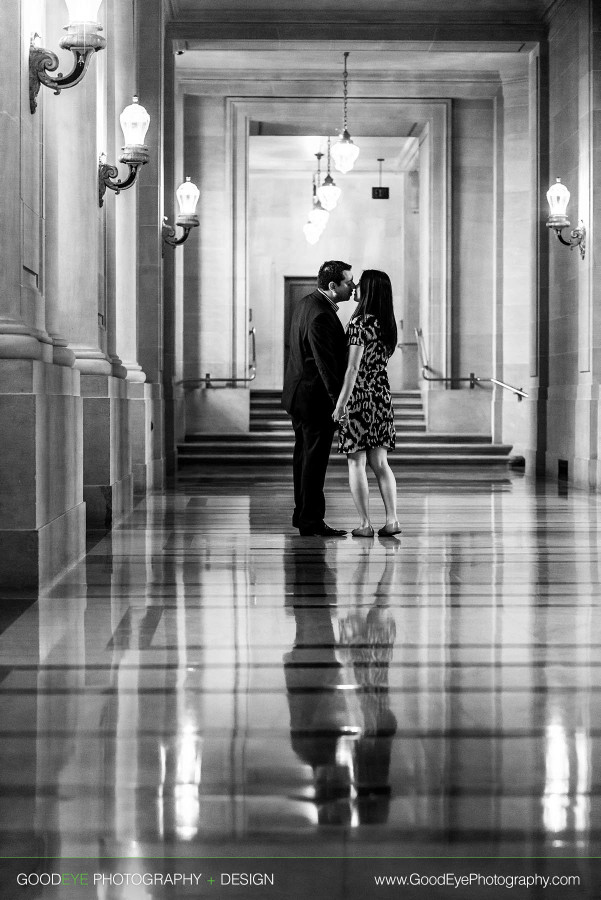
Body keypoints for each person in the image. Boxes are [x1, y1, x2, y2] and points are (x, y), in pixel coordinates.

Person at [282, 260, 355, 536]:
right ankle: (310, 521)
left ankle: (304, 516)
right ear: (333, 286)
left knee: (303, 458)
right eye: (349, 282)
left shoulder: (305, 303)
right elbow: (326, 365)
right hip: (314, 400)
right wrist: (340, 403)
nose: (353, 286)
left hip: (299, 395)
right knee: (313, 462)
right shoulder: (322, 314)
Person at [332, 269, 401, 537]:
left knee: (356, 462)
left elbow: (352, 368)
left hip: (359, 396)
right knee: (381, 463)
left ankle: (364, 524)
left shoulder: (360, 323)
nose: (356, 287)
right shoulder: (387, 324)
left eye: (360, 284)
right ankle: (392, 519)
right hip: (381, 396)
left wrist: (340, 404)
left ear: (370, 290)